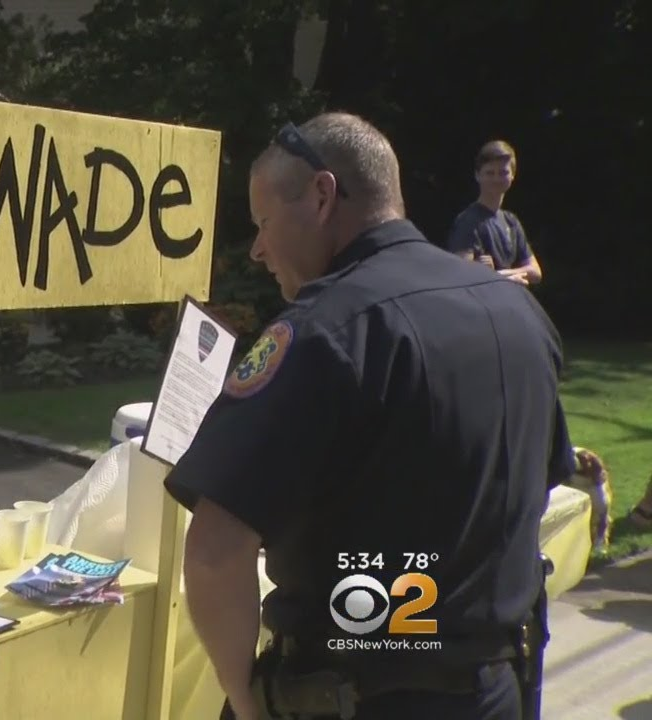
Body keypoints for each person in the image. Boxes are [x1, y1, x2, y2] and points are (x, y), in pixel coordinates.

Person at [164, 114, 575, 720]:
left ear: (322, 196)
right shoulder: (520, 314)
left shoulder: (327, 331)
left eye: (263, 222)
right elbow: (530, 490)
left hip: (361, 692)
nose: (257, 248)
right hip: (500, 689)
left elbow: (215, 552)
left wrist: (247, 700)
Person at [446, 140, 543, 285]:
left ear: (513, 175)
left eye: (503, 172)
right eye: (490, 173)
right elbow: (461, 276)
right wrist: (501, 277)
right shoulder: (468, 221)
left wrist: (500, 275)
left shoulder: (511, 221)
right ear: (477, 175)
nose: (496, 179)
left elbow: (536, 272)